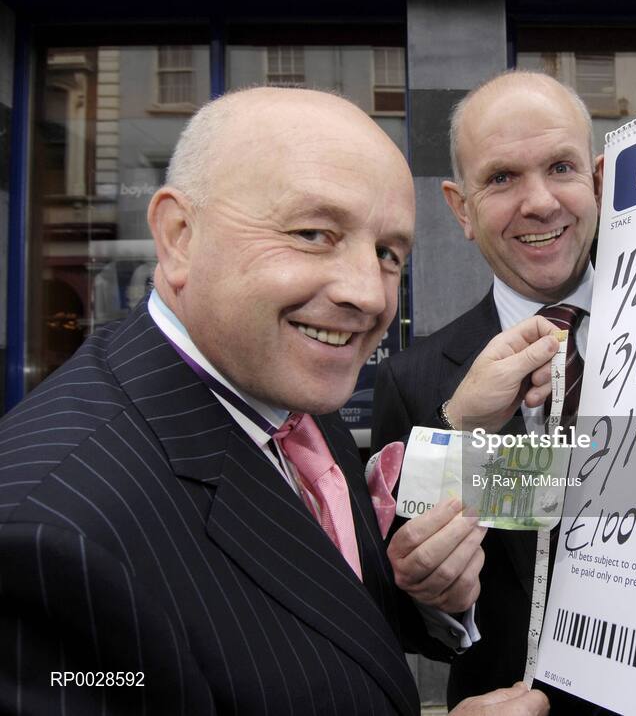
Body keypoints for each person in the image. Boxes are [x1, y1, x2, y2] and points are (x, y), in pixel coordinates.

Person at [0, 87, 553, 716]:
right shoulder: (48, 541)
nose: (369, 295)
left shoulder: (294, 392)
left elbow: (334, 628)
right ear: (180, 235)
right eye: (314, 233)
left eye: (387, 254)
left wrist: (427, 591)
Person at [372, 71, 604, 710]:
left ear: (598, 180)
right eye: (501, 178)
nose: (538, 203)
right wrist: (433, 595)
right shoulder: (416, 385)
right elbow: (410, 617)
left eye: (561, 166)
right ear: (460, 207)